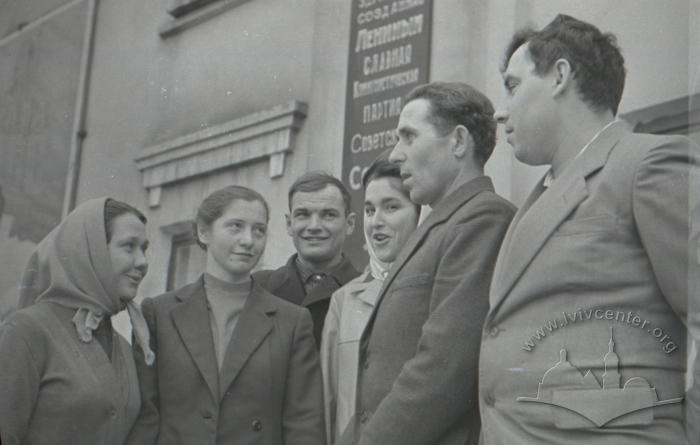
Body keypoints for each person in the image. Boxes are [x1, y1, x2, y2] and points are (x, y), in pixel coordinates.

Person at [479, 14, 700, 444]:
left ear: (560, 75)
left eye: (512, 84)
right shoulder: (535, 200)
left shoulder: (647, 164)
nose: (500, 110)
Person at [338, 82, 515, 445]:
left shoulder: (482, 218)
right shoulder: (442, 222)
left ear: (458, 142)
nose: (396, 154)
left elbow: (443, 371)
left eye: (408, 137)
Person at [127, 185, 324, 445]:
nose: (248, 240)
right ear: (203, 231)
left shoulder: (292, 321)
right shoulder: (159, 313)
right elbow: (145, 418)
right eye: (235, 226)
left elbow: (304, 425)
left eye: (259, 230)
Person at [0, 197, 152, 445]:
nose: (143, 261)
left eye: (144, 248)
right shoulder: (26, 332)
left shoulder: (124, 347)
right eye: (129, 246)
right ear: (91, 252)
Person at [321, 154, 421, 443]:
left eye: (391, 207)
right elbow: (329, 405)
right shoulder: (344, 301)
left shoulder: (439, 289)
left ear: (419, 213)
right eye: (369, 209)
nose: (376, 221)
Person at [254, 172, 361, 347]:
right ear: (289, 224)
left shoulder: (370, 292)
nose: (314, 227)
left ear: (349, 224)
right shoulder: (258, 288)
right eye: (303, 214)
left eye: (328, 215)